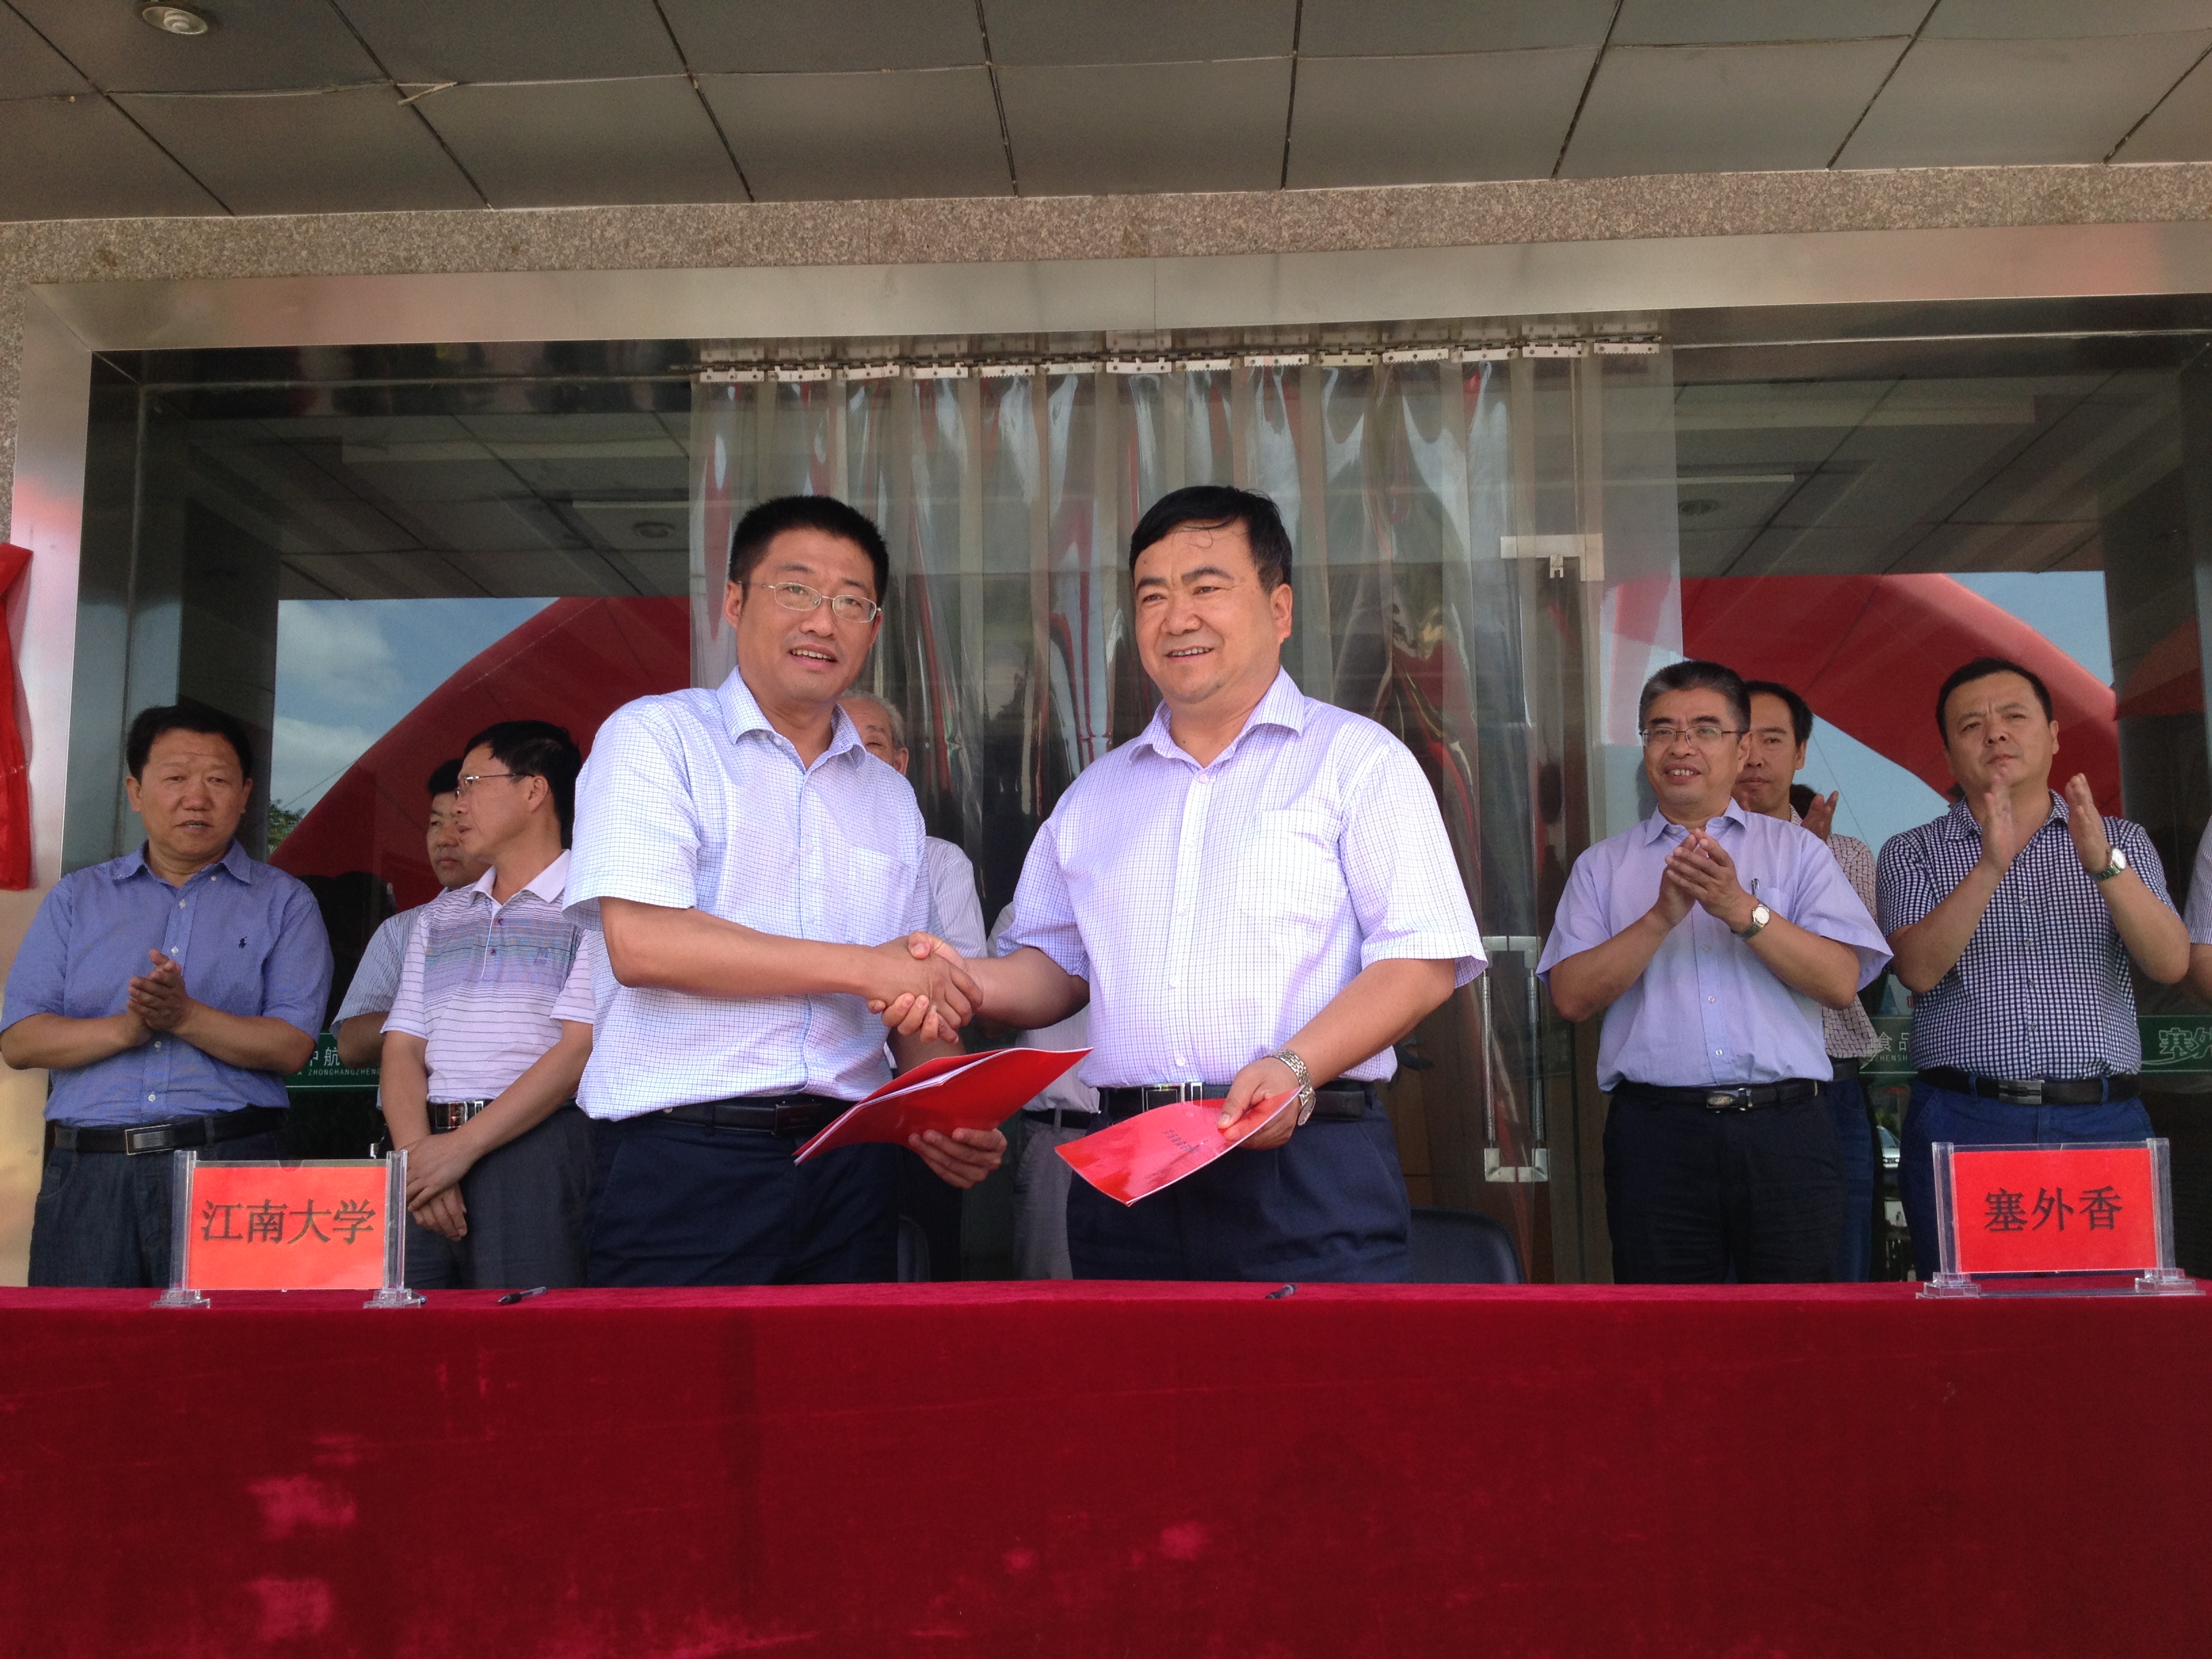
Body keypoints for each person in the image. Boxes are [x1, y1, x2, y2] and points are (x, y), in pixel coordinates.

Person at [882, 485, 1484, 1282]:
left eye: (1206, 587)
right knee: (1136, 1368)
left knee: (1312, 1370)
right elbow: (1055, 970)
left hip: (1304, 1161)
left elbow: (1422, 960)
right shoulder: (1096, 796)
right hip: (1129, 1173)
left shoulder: (1357, 764)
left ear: (1280, 609)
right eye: (1153, 596)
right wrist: (954, 978)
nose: (1177, 617)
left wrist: (1297, 1067)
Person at [565, 493, 1002, 1286]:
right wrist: (866, 967)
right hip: (685, 1159)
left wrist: (949, 1108)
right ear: (734, 602)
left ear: (873, 627)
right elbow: (644, 943)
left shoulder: (889, 797)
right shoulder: (657, 738)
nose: (822, 621)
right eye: (795, 589)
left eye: (851, 602)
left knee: (839, 1371)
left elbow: (908, 990)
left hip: (852, 1162)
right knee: (677, 1370)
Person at [1538, 661, 1889, 1284]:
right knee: (1669, 1330)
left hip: (1786, 1132)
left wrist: (1740, 909)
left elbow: (1841, 982)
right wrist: (1659, 919)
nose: (1681, 747)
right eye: (1662, 730)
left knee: (1795, 1328)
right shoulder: (1603, 866)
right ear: (1646, 747)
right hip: (1657, 1137)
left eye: (1705, 729)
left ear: (1742, 747)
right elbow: (1570, 997)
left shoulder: (1799, 852)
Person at [1, 703, 331, 1287]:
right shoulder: (78, 898)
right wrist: (125, 1030)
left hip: (233, 1168)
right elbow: (21, 1040)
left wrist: (184, 1016)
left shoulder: (285, 902)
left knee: (235, 1344)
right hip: (91, 1174)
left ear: (245, 795)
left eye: (217, 780)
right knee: (83, 1344)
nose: (196, 798)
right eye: (176, 777)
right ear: (136, 791)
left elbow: (291, 1046)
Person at [1879, 656, 2188, 1278]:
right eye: (1971, 725)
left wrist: (2103, 865)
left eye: (2014, 717)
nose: (1995, 732)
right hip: (1966, 1119)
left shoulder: (2119, 840)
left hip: (2102, 1120)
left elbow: (2170, 962)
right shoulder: (1913, 851)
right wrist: (1989, 865)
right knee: (1975, 1319)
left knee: (2109, 1314)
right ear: (1949, 755)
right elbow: (1917, 970)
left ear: (2052, 735)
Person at [380, 722, 598, 1290]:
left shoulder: (593, 906)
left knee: (524, 1333)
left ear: (534, 790)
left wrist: (460, 1150)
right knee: (411, 1331)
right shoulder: (439, 916)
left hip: (536, 1149)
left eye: (471, 784)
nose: (458, 805)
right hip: (426, 1154)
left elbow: (579, 1050)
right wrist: (417, 1159)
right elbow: (402, 1048)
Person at [1734, 680, 1885, 1281]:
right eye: (1741, 739)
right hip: (1720, 1096)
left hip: (1828, 1093)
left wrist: (1807, 866)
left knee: (1836, 1285)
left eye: (1773, 740)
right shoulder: (1685, 855)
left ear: (1800, 753)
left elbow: (1853, 984)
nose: (1754, 757)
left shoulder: (1846, 854)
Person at [332, 758, 487, 1069]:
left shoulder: (549, 918)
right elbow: (351, 1045)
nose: (444, 839)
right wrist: (441, 1011)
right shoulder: (401, 929)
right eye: (435, 824)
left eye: (461, 824)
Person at [985, 901, 1097, 1279]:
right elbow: (987, 1025)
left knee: (1145, 1294)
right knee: (1053, 1291)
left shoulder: (1153, 914)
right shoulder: (1021, 914)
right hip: (1058, 1133)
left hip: (1142, 1124)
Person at [839, 691, 986, 958]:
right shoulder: (791, 855)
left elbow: (965, 970)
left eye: (873, 743)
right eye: (838, 742)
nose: (855, 755)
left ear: (899, 764)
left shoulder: (942, 863)